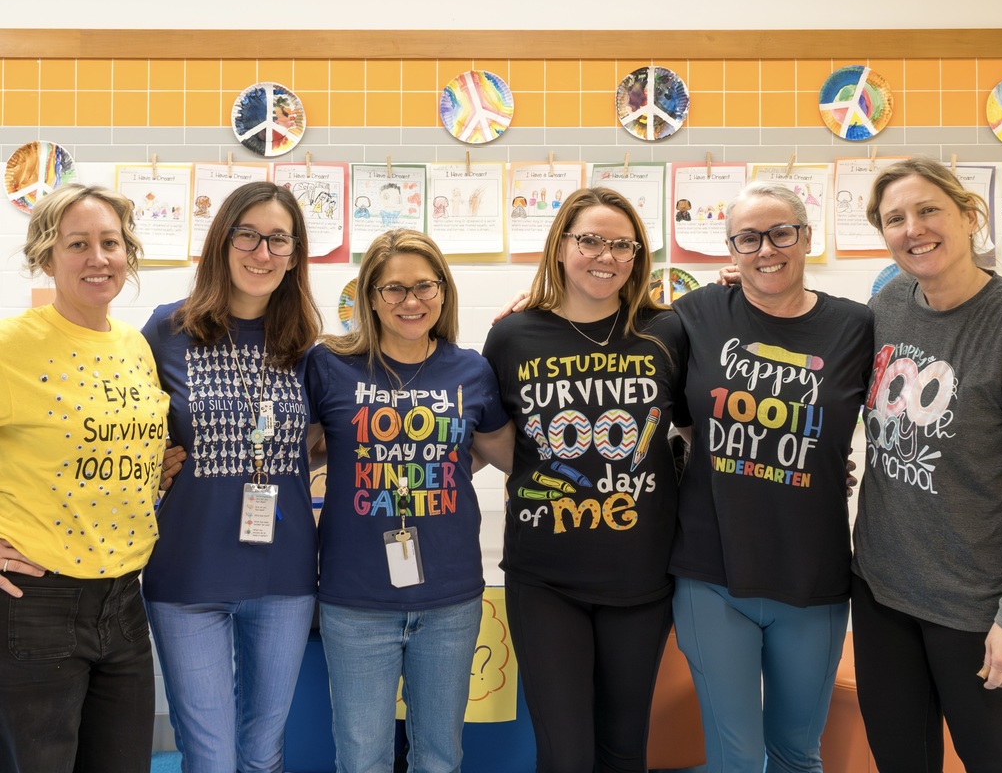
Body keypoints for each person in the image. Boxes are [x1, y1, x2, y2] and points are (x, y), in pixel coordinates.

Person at [482, 186, 686, 773]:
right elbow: (494, 439)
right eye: (590, 240)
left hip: (642, 578)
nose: (607, 255)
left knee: (624, 750)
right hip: (545, 578)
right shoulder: (514, 334)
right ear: (561, 245)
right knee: (564, 755)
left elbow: (704, 428)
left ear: (638, 256)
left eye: (623, 244)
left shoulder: (667, 331)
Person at [672, 183, 873, 773]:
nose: (767, 249)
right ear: (730, 249)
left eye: (781, 232)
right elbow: (603, 323)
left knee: (796, 752)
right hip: (713, 570)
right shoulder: (695, 313)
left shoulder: (856, 326)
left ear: (807, 237)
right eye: (748, 238)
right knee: (735, 756)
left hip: (813, 572)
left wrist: (832, 463)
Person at [306, 229, 513, 773]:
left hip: (450, 596)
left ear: (443, 292)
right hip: (355, 598)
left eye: (425, 286)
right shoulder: (329, 364)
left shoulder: (470, 369)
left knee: (440, 756)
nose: (412, 301)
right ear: (370, 295)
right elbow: (293, 452)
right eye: (393, 289)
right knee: (362, 757)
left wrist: (440, 461)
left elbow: (502, 449)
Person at [141, 182, 323, 773]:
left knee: (263, 755)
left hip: (285, 574)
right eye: (247, 234)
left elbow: (316, 444)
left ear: (294, 255)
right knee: (212, 759)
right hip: (187, 575)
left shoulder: (308, 350)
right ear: (222, 241)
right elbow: (128, 431)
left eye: (278, 240)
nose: (261, 252)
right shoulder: (166, 330)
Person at [852, 156, 1002, 772]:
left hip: (976, 609)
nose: (912, 228)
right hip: (881, 591)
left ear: (968, 215)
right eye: (894, 218)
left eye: (928, 210)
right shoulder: (889, 300)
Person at [0, 184, 170, 773]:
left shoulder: (133, 345)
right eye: (78, 244)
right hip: (38, 598)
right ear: (48, 256)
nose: (98, 258)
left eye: (111, 243)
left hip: (124, 597)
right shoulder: (11, 346)